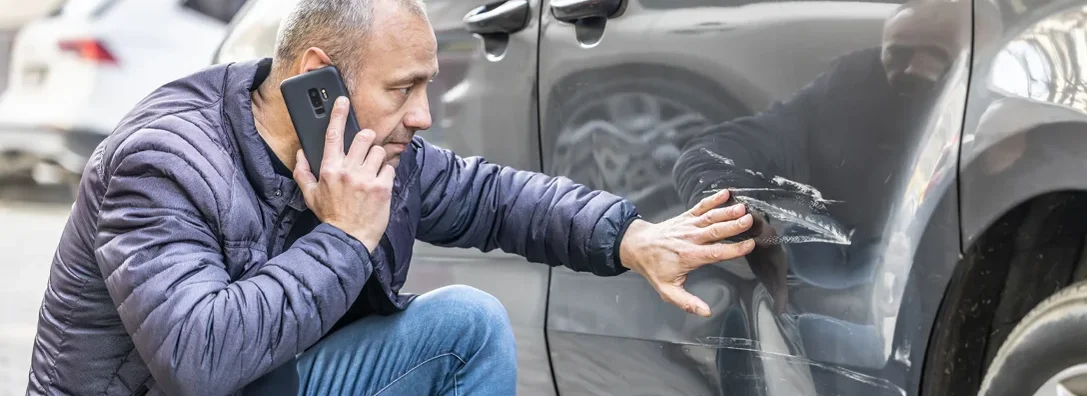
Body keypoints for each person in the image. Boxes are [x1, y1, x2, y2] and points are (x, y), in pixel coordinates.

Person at [25, 0, 761, 395]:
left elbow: (493, 198)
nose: (422, 114)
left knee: (464, 321)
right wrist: (342, 239)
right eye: (402, 88)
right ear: (319, 77)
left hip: (271, 379)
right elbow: (198, 363)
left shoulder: (360, 146)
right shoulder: (166, 161)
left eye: (427, 85)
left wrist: (626, 238)